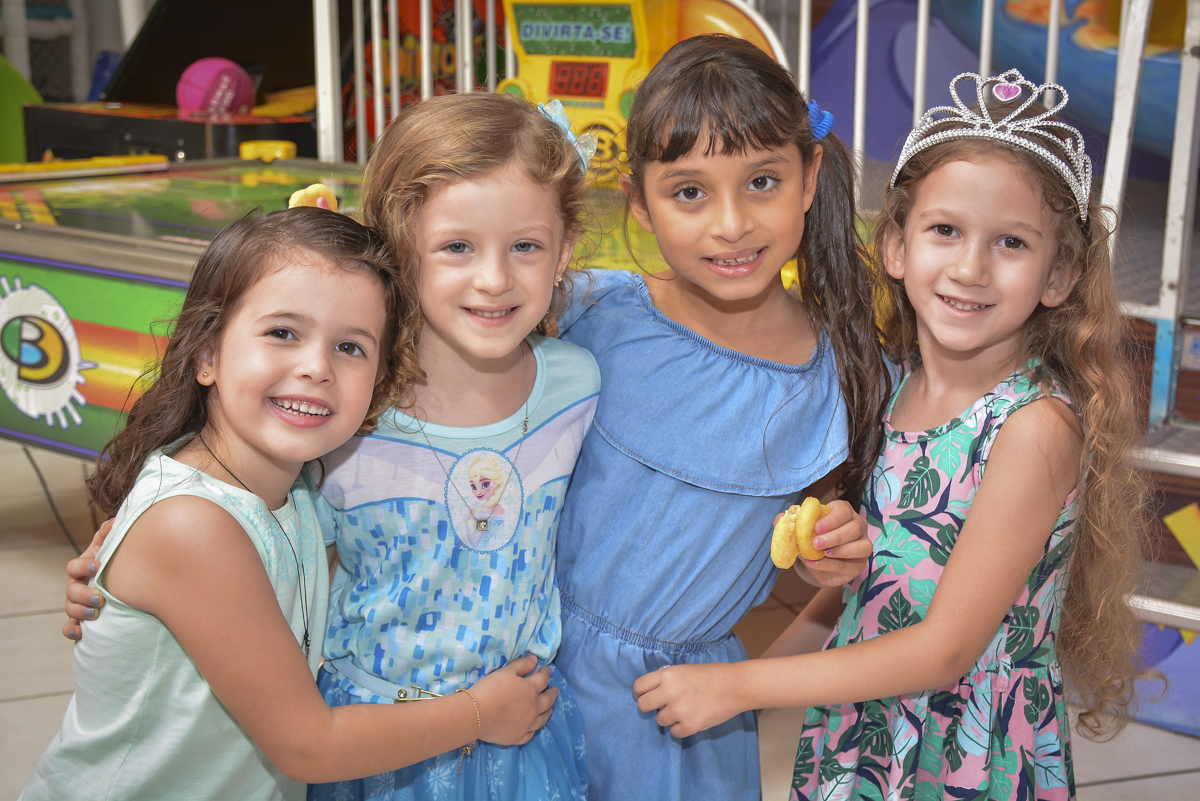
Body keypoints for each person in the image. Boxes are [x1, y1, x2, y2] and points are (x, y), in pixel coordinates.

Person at [633, 70, 1155, 800]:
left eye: (1010, 242)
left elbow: (943, 650)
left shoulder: (1034, 427)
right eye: (946, 230)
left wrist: (742, 683)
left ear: (1059, 273)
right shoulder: (890, 386)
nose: (970, 267)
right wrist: (735, 689)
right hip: (865, 737)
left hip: (965, 752)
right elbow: (856, 600)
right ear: (898, 247)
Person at [26, 208, 558, 801]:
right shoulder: (194, 525)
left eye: (351, 346)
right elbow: (310, 744)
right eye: (283, 332)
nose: (316, 367)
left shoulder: (296, 488)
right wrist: (480, 714)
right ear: (207, 355)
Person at [551, 35, 888, 800]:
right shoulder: (590, 311)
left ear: (809, 179)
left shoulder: (840, 379)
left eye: (762, 181)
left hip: (680, 716)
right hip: (533, 666)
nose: (730, 224)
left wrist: (831, 558)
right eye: (690, 192)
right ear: (639, 201)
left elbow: (820, 582)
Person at [309, 93, 598, 800]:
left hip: (522, 733)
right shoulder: (350, 403)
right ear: (399, 248)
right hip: (375, 737)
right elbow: (253, 529)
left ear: (564, 249)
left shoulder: (576, 385)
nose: (495, 278)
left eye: (525, 246)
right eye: (457, 246)